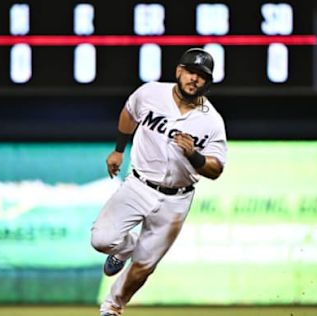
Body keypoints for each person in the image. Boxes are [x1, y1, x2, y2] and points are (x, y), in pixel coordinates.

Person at [90, 47, 228, 316]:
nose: (194, 79)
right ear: (179, 71)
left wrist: (195, 156)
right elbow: (129, 112)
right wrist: (119, 149)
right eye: (190, 71)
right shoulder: (151, 93)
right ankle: (125, 249)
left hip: (176, 199)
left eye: (201, 75)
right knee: (102, 239)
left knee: (144, 265)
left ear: (207, 82)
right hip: (138, 184)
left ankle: (112, 307)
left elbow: (216, 168)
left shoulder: (211, 121)